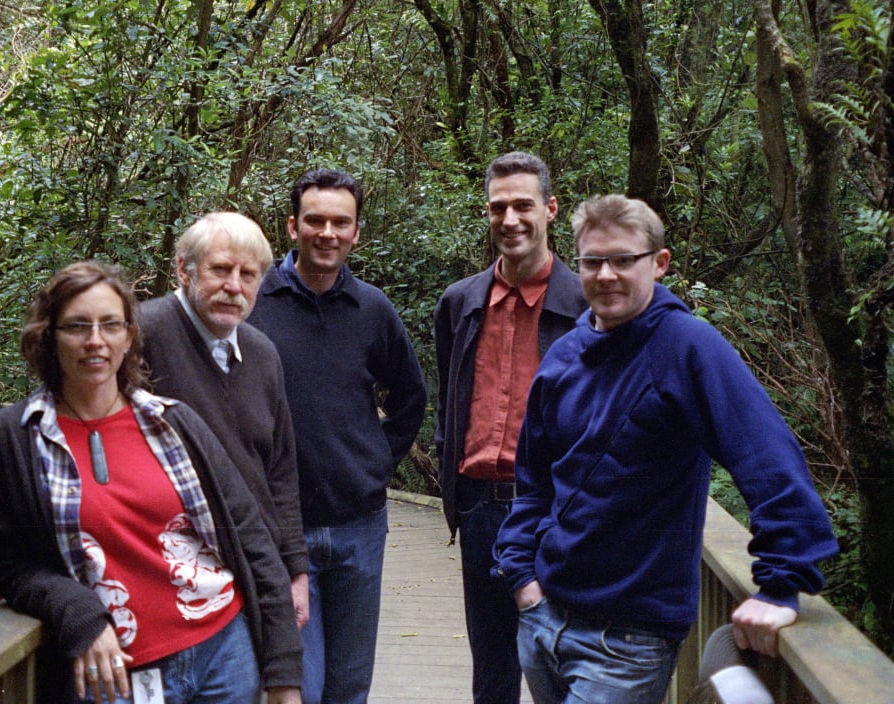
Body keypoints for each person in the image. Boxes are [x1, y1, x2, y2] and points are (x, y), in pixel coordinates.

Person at [494, 194, 839, 704]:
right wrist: (522, 575)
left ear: (658, 263)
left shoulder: (687, 347)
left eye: (623, 260)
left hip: (628, 639)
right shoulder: (566, 353)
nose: (606, 274)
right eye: (593, 261)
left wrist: (781, 582)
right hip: (546, 619)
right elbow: (535, 479)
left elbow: (768, 456)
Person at [0, 261, 302, 704]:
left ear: (129, 336)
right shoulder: (15, 437)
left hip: (224, 653)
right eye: (77, 326)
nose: (95, 341)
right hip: (113, 676)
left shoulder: (173, 422)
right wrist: (78, 611)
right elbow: (12, 565)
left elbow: (252, 541)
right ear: (49, 336)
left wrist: (284, 678)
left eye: (110, 325)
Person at [247, 168, 427, 704]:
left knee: (349, 686)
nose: (328, 232)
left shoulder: (371, 309)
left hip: (358, 526)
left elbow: (410, 396)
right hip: (283, 528)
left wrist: (375, 464)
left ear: (355, 233)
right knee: (299, 684)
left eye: (340, 223)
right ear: (292, 227)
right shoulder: (255, 304)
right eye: (316, 220)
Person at [432, 151, 586, 703]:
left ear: (550, 209)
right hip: (481, 508)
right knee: (492, 669)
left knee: (568, 662)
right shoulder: (461, 303)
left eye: (523, 205)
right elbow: (451, 401)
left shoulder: (587, 304)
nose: (510, 219)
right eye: (499, 208)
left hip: (561, 510)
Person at [141, 212, 309, 629]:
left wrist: (296, 571)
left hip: (254, 570)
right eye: (219, 270)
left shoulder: (262, 353)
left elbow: (280, 474)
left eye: (248, 275)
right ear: (184, 269)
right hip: (169, 577)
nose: (234, 287)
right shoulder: (140, 335)